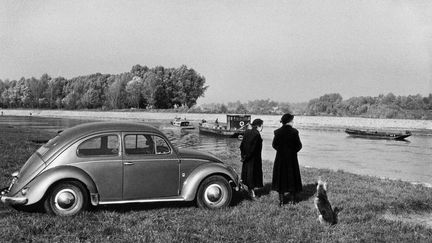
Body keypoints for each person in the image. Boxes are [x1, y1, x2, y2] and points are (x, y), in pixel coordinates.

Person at [271, 113, 303, 206]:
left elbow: (274, 145)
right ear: (289, 121)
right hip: (291, 158)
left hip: (280, 158)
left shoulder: (277, 132)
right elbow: (299, 146)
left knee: (280, 177)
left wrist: (281, 151)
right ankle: (293, 201)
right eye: (292, 120)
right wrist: (292, 152)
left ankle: (281, 202)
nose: (293, 122)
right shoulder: (295, 132)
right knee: (292, 177)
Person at [240, 118, 264, 198]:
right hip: (254, 158)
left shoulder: (247, 132)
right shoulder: (257, 134)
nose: (262, 127)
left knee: (247, 175)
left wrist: (243, 156)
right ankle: (252, 193)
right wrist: (248, 156)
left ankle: (250, 190)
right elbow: (253, 148)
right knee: (253, 175)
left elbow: (242, 146)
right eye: (262, 126)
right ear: (258, 126)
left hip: (246, 158)